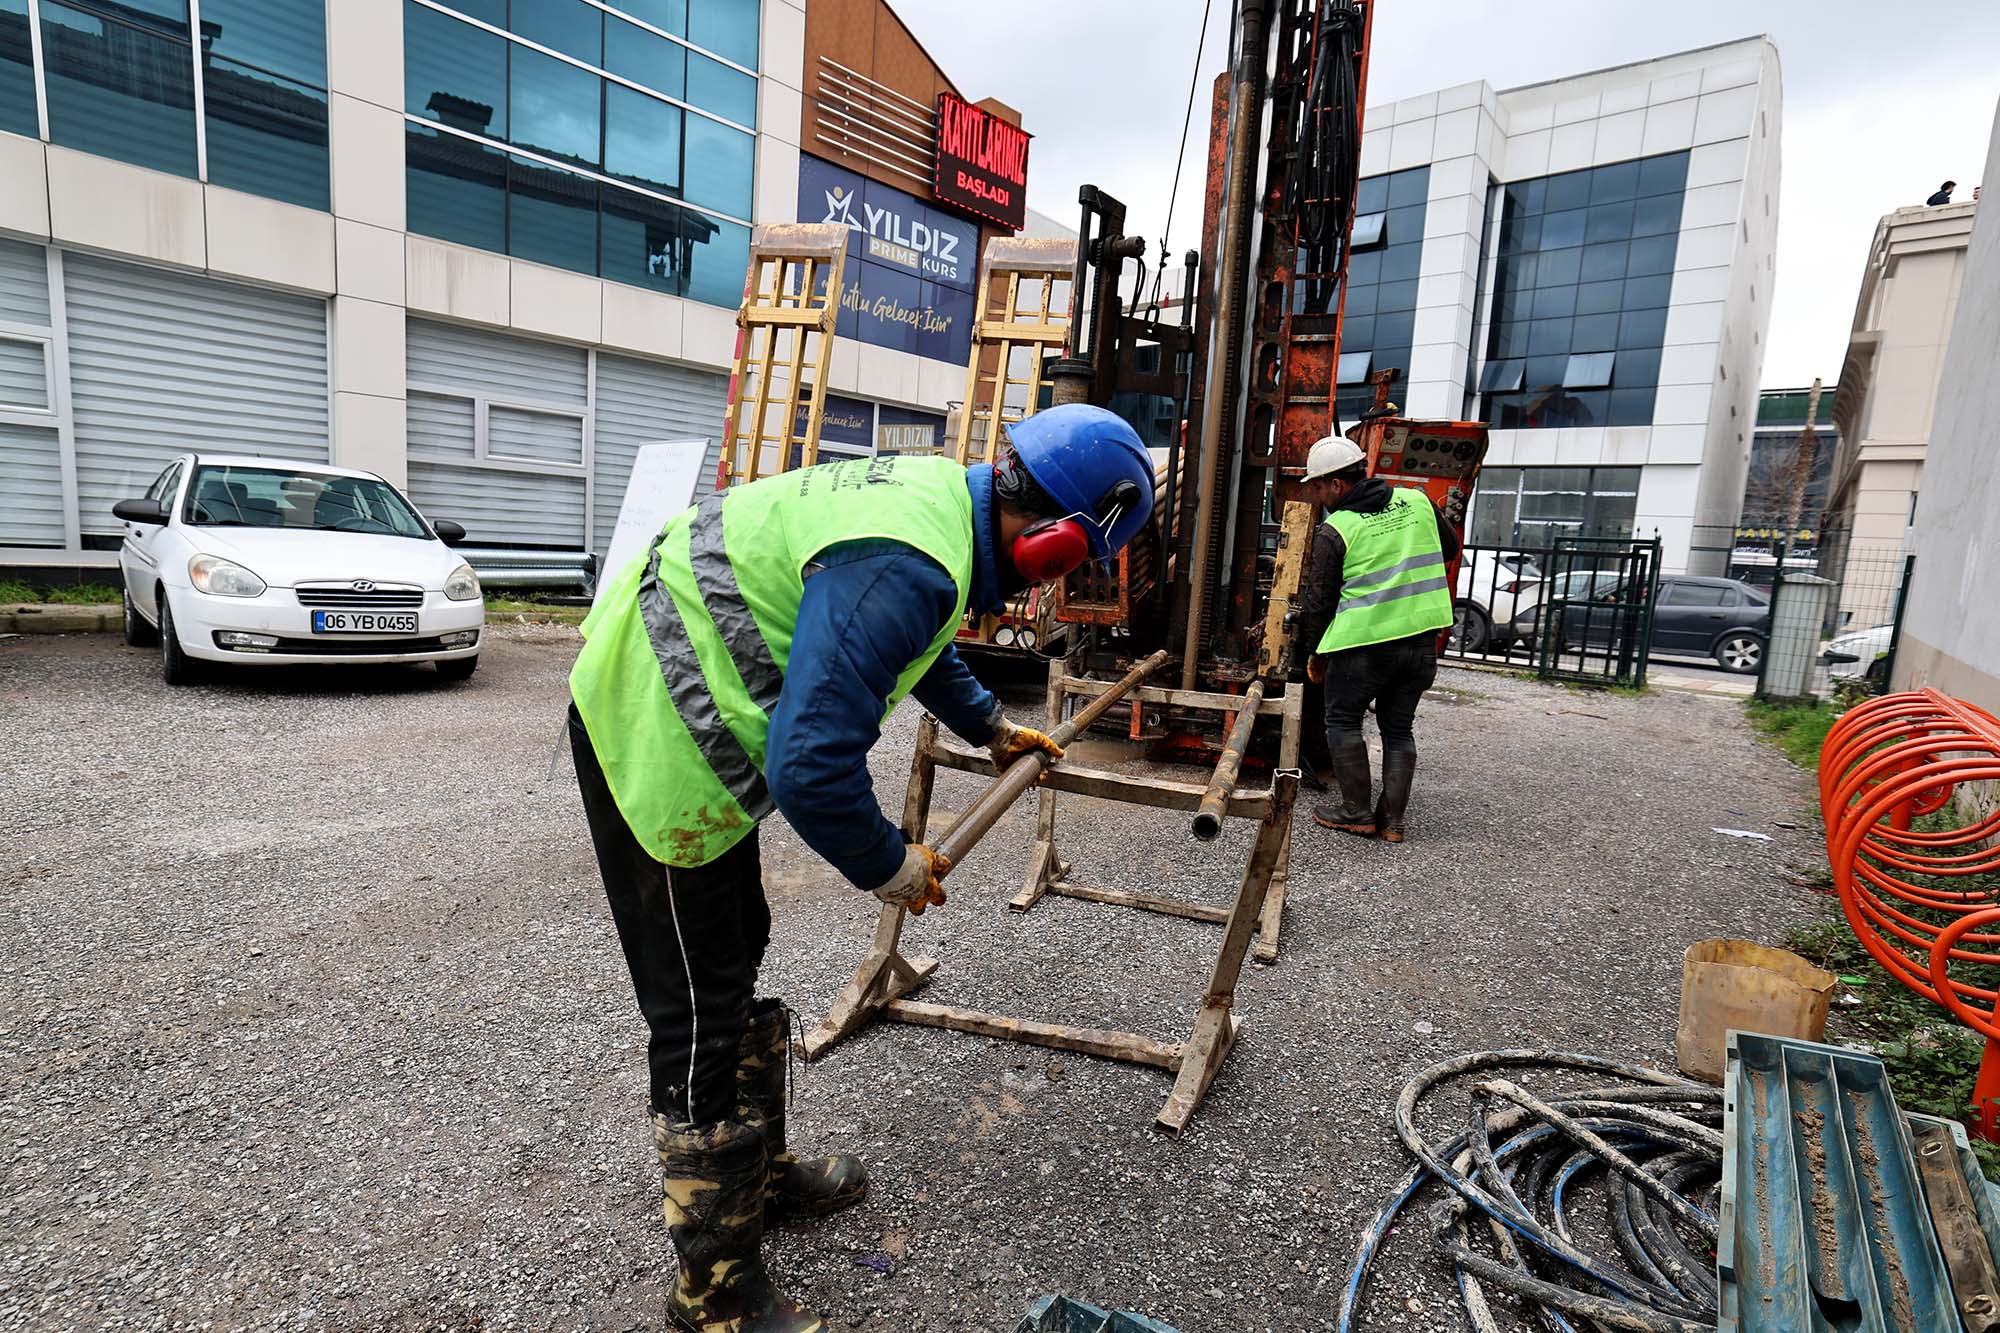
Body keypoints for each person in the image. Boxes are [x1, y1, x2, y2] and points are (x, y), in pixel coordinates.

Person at [566, 403, 1155, 1333]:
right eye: (1073, 559)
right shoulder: (912, 559)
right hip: (652, 718)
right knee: (695, 1001)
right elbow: (809, 768)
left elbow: (905, 645)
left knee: (737, 945)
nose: (1062, 580)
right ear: (1048, 539)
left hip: (682, 692)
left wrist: (990, 727)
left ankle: (753, 1180)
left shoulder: (940, 506)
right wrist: (893, 866)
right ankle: (712, 1289)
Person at [1296, 434, 1460, 844]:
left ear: (1336, 484)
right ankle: (1393, 821)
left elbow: (1320, 602)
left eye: (1316, 487)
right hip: (1421, 642)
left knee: (1343, 720)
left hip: (1364, 647)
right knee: (1399, 728)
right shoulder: (1418, 501)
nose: (1315, 497)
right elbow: (1450, 549)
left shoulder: (1338, 528)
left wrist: (1317, 652)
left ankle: (1356, 812)